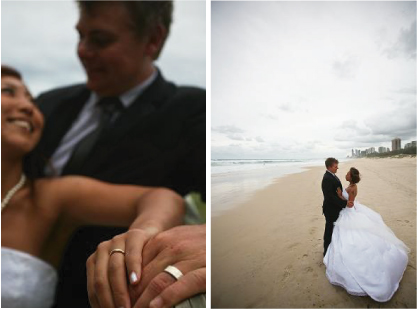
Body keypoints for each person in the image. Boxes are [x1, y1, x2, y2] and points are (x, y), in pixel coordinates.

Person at [30, 1, 206, 306]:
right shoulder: (47, 103)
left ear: (152, 40)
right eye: (80, 36)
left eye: (100, 40)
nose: (82, 51)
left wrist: (205, 237)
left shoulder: (192, 112)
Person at [1, 65, 185, 308]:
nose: (28, 107)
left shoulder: (48, 198)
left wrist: (144, 231)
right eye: (8, 91)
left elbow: (162, 197)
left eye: (31, 100)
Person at [324, 167, 409, 302]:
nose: (345, 174)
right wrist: (341, 195)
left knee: (353, 239)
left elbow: (350, 204)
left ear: (350, 177)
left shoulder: (352, 188)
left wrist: (341, 196)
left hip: (349, 213)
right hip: (350, 211)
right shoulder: (351, 186)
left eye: (347, 173)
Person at [321, 158, 352, 256]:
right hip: (330, 210)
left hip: (336, 208)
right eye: (335, 166)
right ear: (329, 167)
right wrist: (345, 203)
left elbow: (337, 192)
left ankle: (333, 250)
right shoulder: (327, 178)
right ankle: (326, 252)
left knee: (335, 230)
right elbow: (330, 197)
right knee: (329, 231)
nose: (337, 168)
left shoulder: (332, 176)